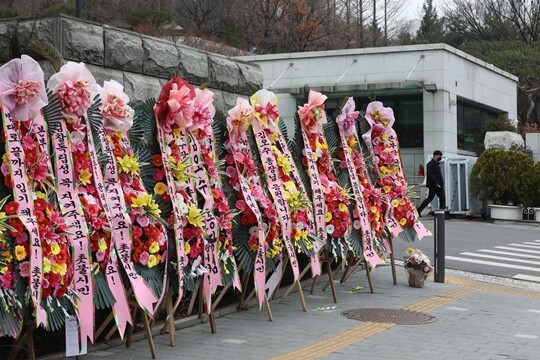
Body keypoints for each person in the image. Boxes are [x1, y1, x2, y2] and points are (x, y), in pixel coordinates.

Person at [417, 150, 449, 219]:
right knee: (429, 198)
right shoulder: (430, 164)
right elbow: (430, 175)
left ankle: (442, 214)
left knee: (442, 198)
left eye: (440, 156)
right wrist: (436, 183)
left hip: (439, 185)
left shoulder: (437, 164)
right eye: (438, 156)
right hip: (433, 185)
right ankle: (418, 210)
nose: (440, 157)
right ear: (435, 155)